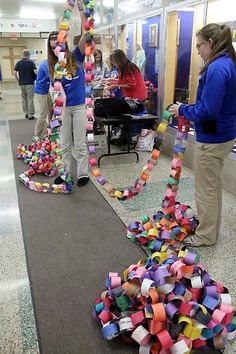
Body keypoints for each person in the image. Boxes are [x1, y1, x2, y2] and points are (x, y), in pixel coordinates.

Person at [169, 23, 236, 247]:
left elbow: (207, 110)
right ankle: (211, 227)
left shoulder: (217, 68)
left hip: (213, 138)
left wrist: (182, 110)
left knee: (205, 189)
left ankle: (206, 235)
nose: (197, 50)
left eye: (199, 45)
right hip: (224, 134)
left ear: (211, 44)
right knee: (213, 185)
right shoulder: (228, 63)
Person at [48, 1, 89, 187]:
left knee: (79, 143)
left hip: (80, 106)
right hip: (64, 109)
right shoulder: (53, 68)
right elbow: (55, 94)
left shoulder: (76, 57)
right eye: (53, 41)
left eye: (58, 38)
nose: (57, 42)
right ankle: (65, 173)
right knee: (64, 143)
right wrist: (53, 117)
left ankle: (82, 174)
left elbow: (86, 34)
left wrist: (81, 11)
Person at [106, 49, 148, 148]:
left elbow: (131, 84)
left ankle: (132, 140)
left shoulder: (130, 68)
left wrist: (117, 86)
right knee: (128, 118)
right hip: (130, 96)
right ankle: (126, 138)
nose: (113, 63)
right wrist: (112, 81)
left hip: (137, 96)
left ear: (118, 60)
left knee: (132, 119)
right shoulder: (122, 68)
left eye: (114, 61)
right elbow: (122, 81)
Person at [14, 49, 37, 120]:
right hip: (30, 83)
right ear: (29, 55)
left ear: (22, 55)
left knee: (24, 98)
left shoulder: (18, 63)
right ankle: (31, 114)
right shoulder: (31, 63)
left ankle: (26, 113)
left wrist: (18, 80)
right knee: (30, 98)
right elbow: (36, 72)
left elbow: (14, 72)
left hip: (22, 83)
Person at [33, 59, 52, 141]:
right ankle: (36, 134)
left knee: (51, 109)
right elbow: (52, 79)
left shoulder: (48, 63)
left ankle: (51, 129)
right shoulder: (45, 64)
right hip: (41, 91)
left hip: (46, 90)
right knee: (43, 113)